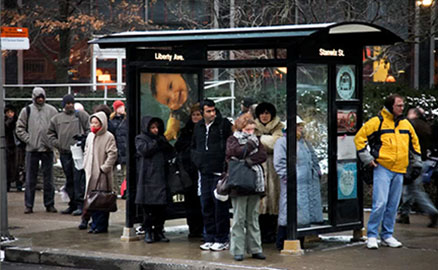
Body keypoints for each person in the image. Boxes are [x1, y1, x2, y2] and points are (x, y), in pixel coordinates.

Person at [354, 94, 422, 249]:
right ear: (391, 106)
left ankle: (387, 234)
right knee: (380, 202)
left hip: (399, 168)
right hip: (383, 167)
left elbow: (414, 143)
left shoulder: (405, 123)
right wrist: (367, 158)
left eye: (402, 105)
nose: (402, 107)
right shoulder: (377, 122)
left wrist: (416, 163)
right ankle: (372, 235)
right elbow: (359, 138)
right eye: (399, 105)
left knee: (392, 204)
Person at [273, 116, 323, 250]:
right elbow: (279, 162)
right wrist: (287, 177)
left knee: (303, 215)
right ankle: (282, 242)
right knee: (289, 212)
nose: (301, 128)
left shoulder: (304, 142)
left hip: (307, 183)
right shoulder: (282, 142)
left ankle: (300, 240)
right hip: (294, 183)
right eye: (298, 126)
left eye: (301, 126)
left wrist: (316, 171)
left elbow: (313, 157)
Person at [191, 99, 233, 251]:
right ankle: (209, 236)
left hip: (219, 172)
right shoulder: (199, 127)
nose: (212, 114)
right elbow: (194, 145)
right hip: (204, 172)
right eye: (208, 111)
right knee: (206, 205)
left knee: (219, 206)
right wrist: (197, 160)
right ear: (202, 112)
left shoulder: (223, 125)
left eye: (213, 110)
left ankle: (221, 238)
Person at [225, 113, 267, 261]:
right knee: (238, 218)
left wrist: (248, 160)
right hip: (238, 184)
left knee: (253, 218)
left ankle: (256, 248)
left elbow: (262, 155)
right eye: (248, 129)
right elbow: (235, 152)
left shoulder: (257, 140)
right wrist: (249, 146)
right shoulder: (232, 139)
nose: (251, 133)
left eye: (252, 130)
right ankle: (238, 250)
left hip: (255, 182)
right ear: (241, 128)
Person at [16, 87, 58, 214]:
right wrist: (29, 139)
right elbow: (19, 128)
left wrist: (52, 141)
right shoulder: (27, 110)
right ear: (34, 98)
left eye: (42, 97)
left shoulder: (51, 110)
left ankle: (49, 204)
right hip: (32, 149)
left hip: (47, 149)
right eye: (38, 97)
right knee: (30, 179)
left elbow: (57, 127)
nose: (40, 100)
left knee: (49, 179)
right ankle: (29, 205)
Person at [48, 94, 90, 216]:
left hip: (77, 153)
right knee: (69, 179)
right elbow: (50, 133)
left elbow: (89, 129)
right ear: (64, 105)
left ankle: (80, 204)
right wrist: (58, 143)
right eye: (68, 103)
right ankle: (72, 204)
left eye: (72, 103)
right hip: (64, 152)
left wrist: (83, 140)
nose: (70, 105)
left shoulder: (81, 115)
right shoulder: (56, 119)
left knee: (79, 179)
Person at [397, 107, 438, 228]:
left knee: (414, 189)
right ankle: (404, 214)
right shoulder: (425, 126)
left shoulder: (411, 125)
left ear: (414, 114)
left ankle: (432, 211)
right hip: (424, 160)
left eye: (410, 112)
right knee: (410, 188)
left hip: (413, 161)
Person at [135, 116, 174, 243]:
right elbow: (144, 150)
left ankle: (159, 230)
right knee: (148, 208)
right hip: (148, 178)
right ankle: (148, 230)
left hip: (162, 176)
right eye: (152, 128)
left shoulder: (161, 139)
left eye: (157, 127)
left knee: (161, 208)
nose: (156, 130)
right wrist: (157, 142)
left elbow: (171, 151)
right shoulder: (141, 139)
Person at [254, 102, 284, 243]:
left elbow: (276, 144)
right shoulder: (253, 127)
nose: (264, 116)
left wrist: (259, 140)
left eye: (267, 113)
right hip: (257, 168)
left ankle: (272, 232)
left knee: (274, 201)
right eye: (261, 113)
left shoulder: (280, 127)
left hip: (274, 168)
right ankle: (261, 233)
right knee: (260, 202)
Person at [83, 111, 117, 233]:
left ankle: (101, 226)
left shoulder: (108, 137)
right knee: (92, 200)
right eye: (92, 123)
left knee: (102, 200)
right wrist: (85, 164)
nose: (94, 125)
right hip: (90, 172)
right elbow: (87, 149)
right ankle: (94, 224)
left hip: (102, 174)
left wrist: (105, 167)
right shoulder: (90, 136)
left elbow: (112, 154)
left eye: (96, 123)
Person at [174, 103, 204, 238]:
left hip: (202, 171)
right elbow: (179, 146)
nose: (196, 117)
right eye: (194, 115)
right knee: (191, 202)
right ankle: (194, 229)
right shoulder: (186, 130)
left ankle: (203, 228)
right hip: (188, 172)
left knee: (202, 201)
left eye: (198, 114)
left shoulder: (205, 130)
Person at [110, 100, 128, 194]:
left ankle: (125, 191)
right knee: (113, 173)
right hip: (115, 148)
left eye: (122, 106)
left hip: (125, 148)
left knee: (126, 172)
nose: (121, 109)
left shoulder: (127, 120)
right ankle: (115, 191)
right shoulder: (111, 121)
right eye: (119, 107)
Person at [4, 105, 22, 192]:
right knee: (8, 167)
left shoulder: (18, 122)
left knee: (18, 166)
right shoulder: (5, 122)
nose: (10, 114)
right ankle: (8, 185)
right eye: (8, 112)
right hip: (9, 146)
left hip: (17, 146)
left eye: (11, 112)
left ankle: (19, 185)